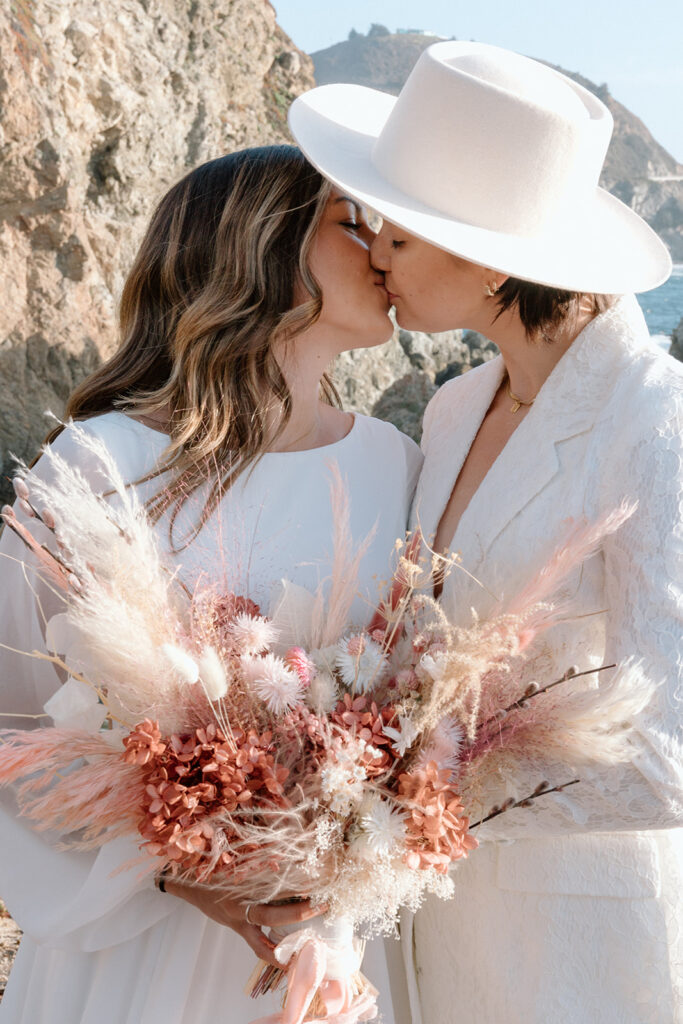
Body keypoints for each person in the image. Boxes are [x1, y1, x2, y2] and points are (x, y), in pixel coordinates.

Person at [288, 41, 683, 1023]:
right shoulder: (455, 407)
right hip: (422, 932)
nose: (374, 249)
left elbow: (667, 755)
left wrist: (419, 797)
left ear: (491, 257)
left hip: (573, 954)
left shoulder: (653, 425)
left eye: (402, 236)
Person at [0, 145, 421, 1024]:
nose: (383, 248)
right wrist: (176, 867)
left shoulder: (398, 463)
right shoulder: (104, 464)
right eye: (351, 224)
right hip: (136, 947)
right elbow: (15, 726)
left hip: (327, 953)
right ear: (262, 251)